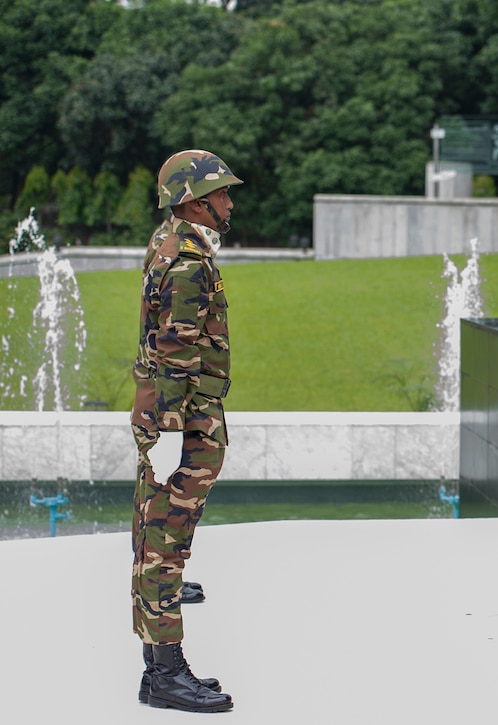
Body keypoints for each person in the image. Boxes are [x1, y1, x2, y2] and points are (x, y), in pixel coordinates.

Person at [130, 149, 242, 712]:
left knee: (160, 535)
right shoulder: (187, 260)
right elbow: (174, 350)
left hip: (184, 410)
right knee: (162, 544)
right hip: (182, 413)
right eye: (220, 194)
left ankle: (161, 666)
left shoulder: (174, 240)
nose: (229, 202)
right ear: (193, 201)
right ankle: (165, 675)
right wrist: (173, 434)